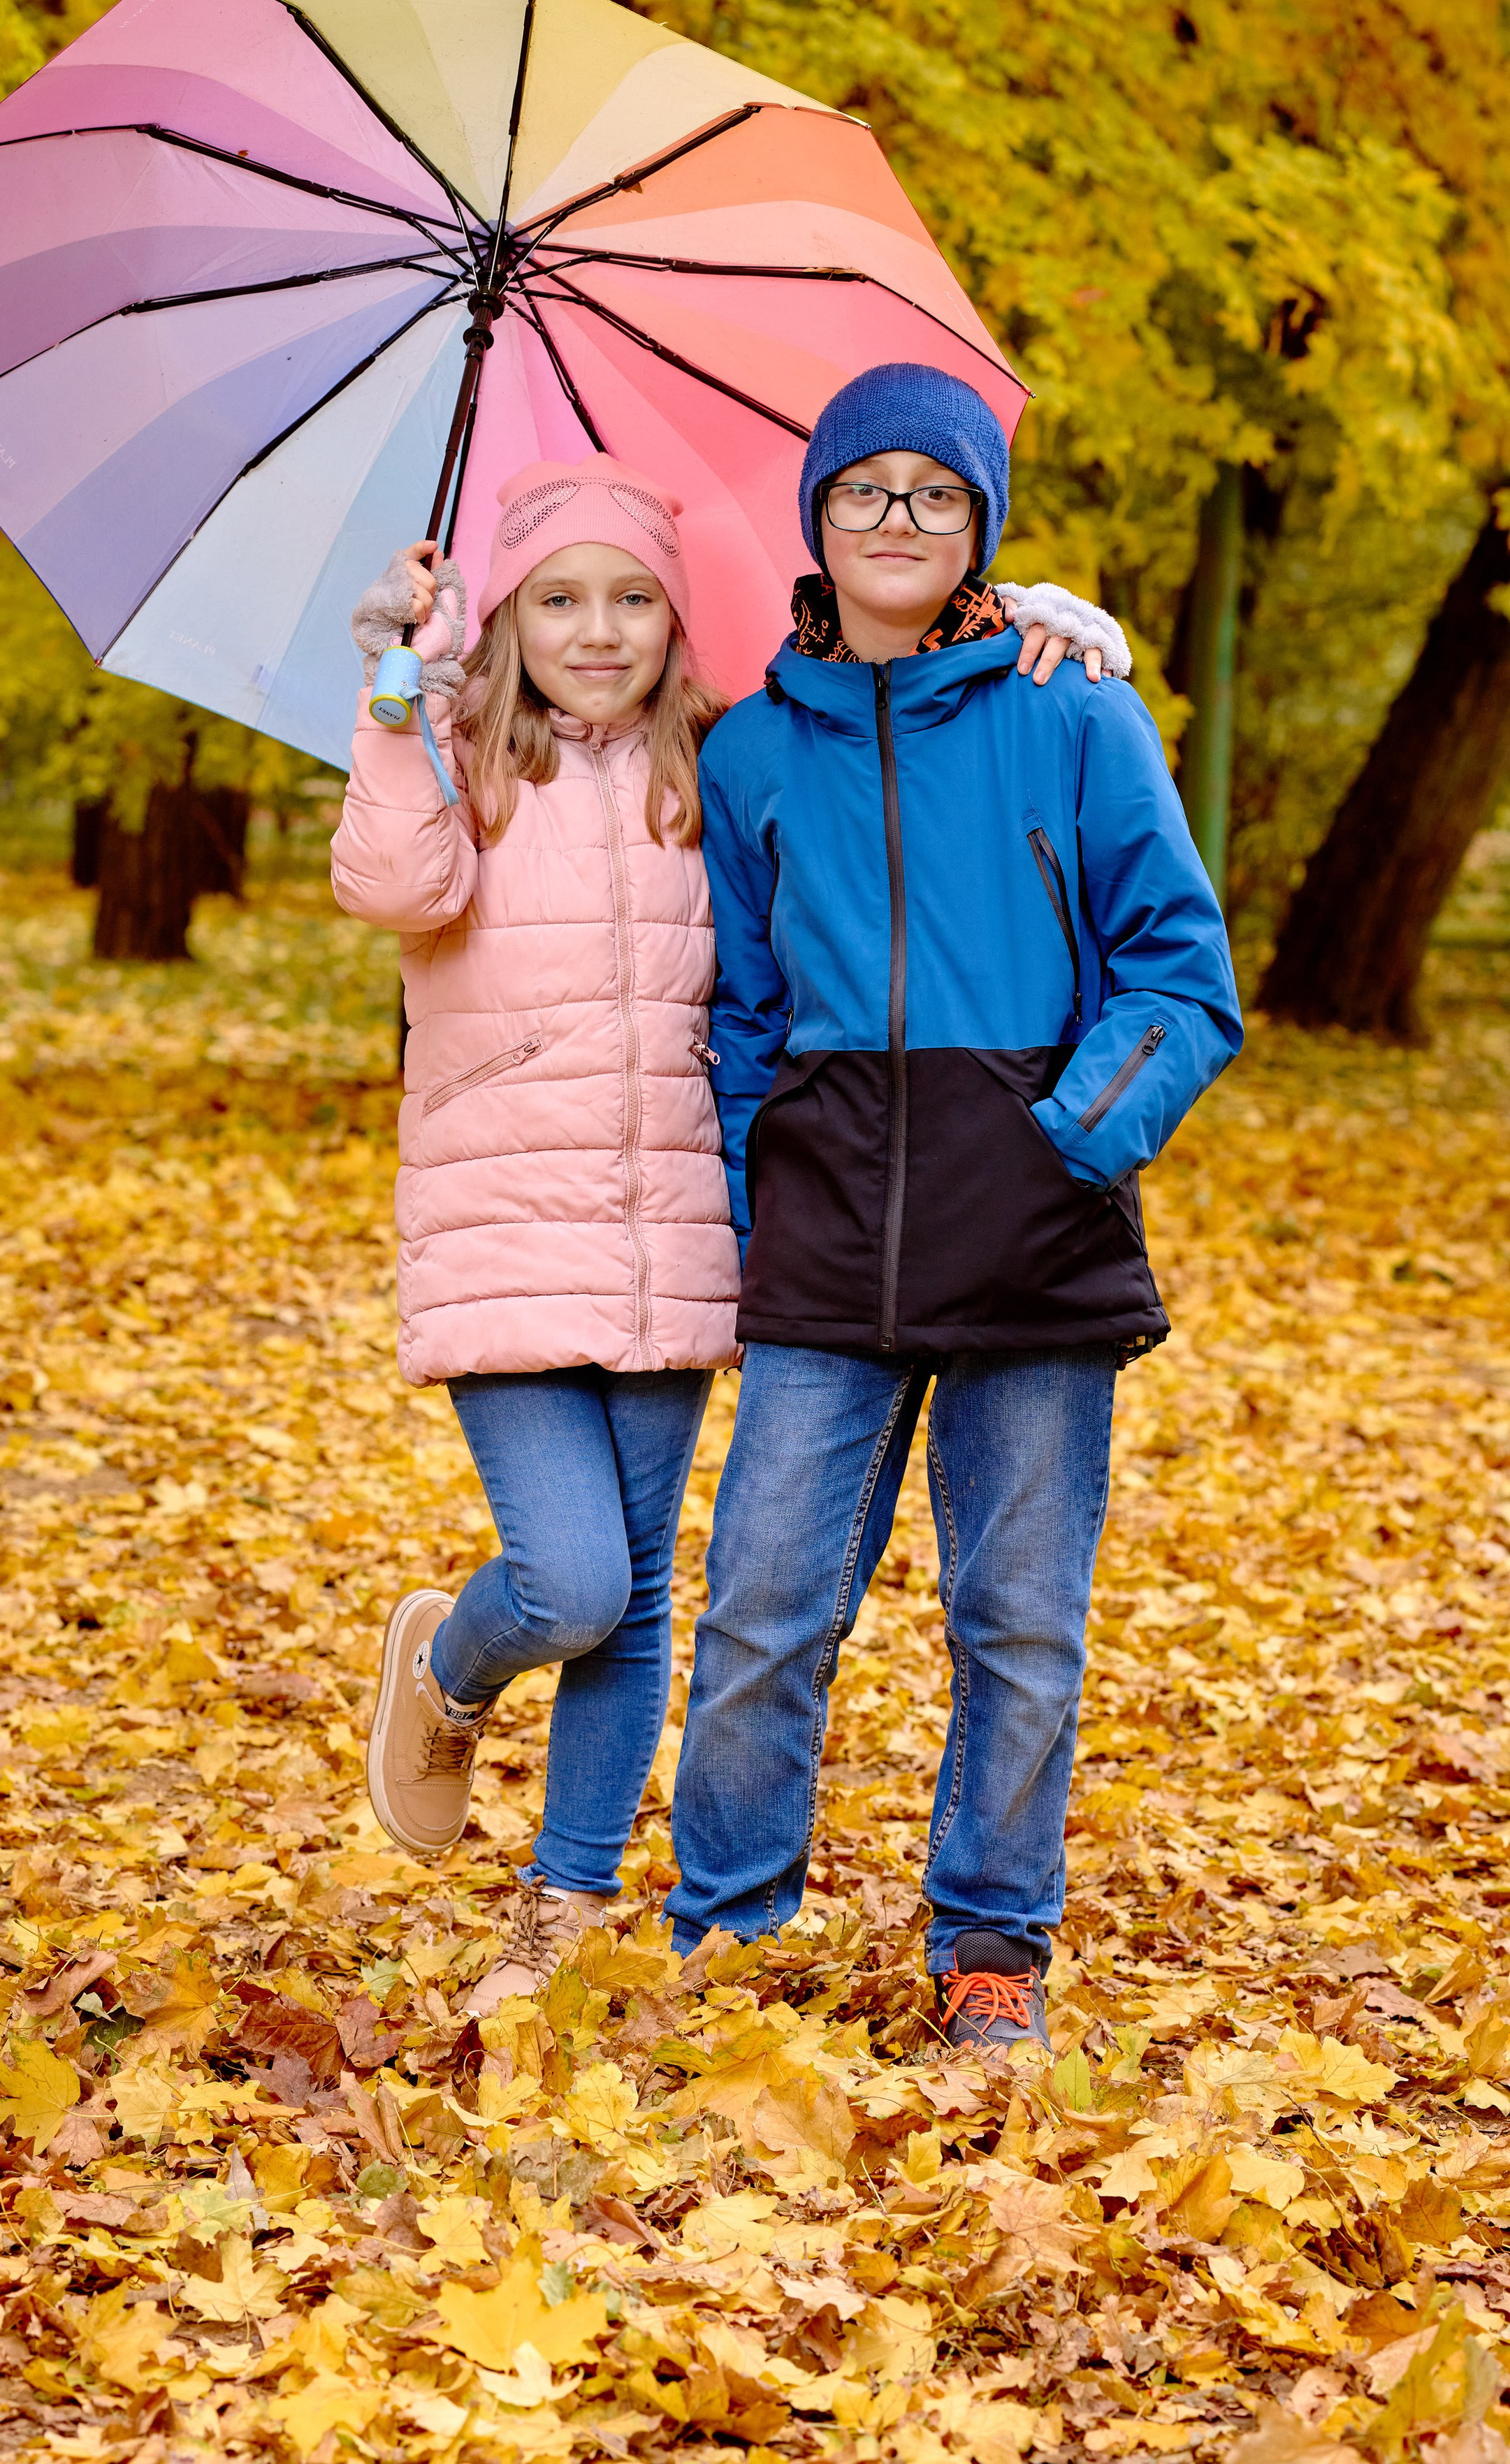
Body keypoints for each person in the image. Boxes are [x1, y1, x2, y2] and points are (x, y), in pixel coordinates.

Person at [333, 446, 1128, 2019]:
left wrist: (1038, 617)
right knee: (568, 1586)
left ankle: (562, 1903)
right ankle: (448, 1668)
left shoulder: (727, 759)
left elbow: (872, 733)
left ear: (677, 622)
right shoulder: (462, 756)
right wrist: (392, 684)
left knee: (634, 1600)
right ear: (505, 622)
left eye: (633, 598)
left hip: (685, 1237)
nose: (599, 628)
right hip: (509, 1231)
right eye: (558, 598)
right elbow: (390, 884)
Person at [664, 363, 1243, 2051]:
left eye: (933, 493)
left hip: (1037, 1242)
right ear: (816, 524)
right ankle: (728, 1932)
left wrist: (1067, 1139)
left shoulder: (1074, 715)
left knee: (1018, 1626)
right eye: (863, 493)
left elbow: (1179, 975)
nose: (895, 522)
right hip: (827, 1243)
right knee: (764, 1605)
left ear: (979, 522)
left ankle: (992, 1945)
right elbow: (745, 1017)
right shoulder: (758, 745)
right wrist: (750, 1191)